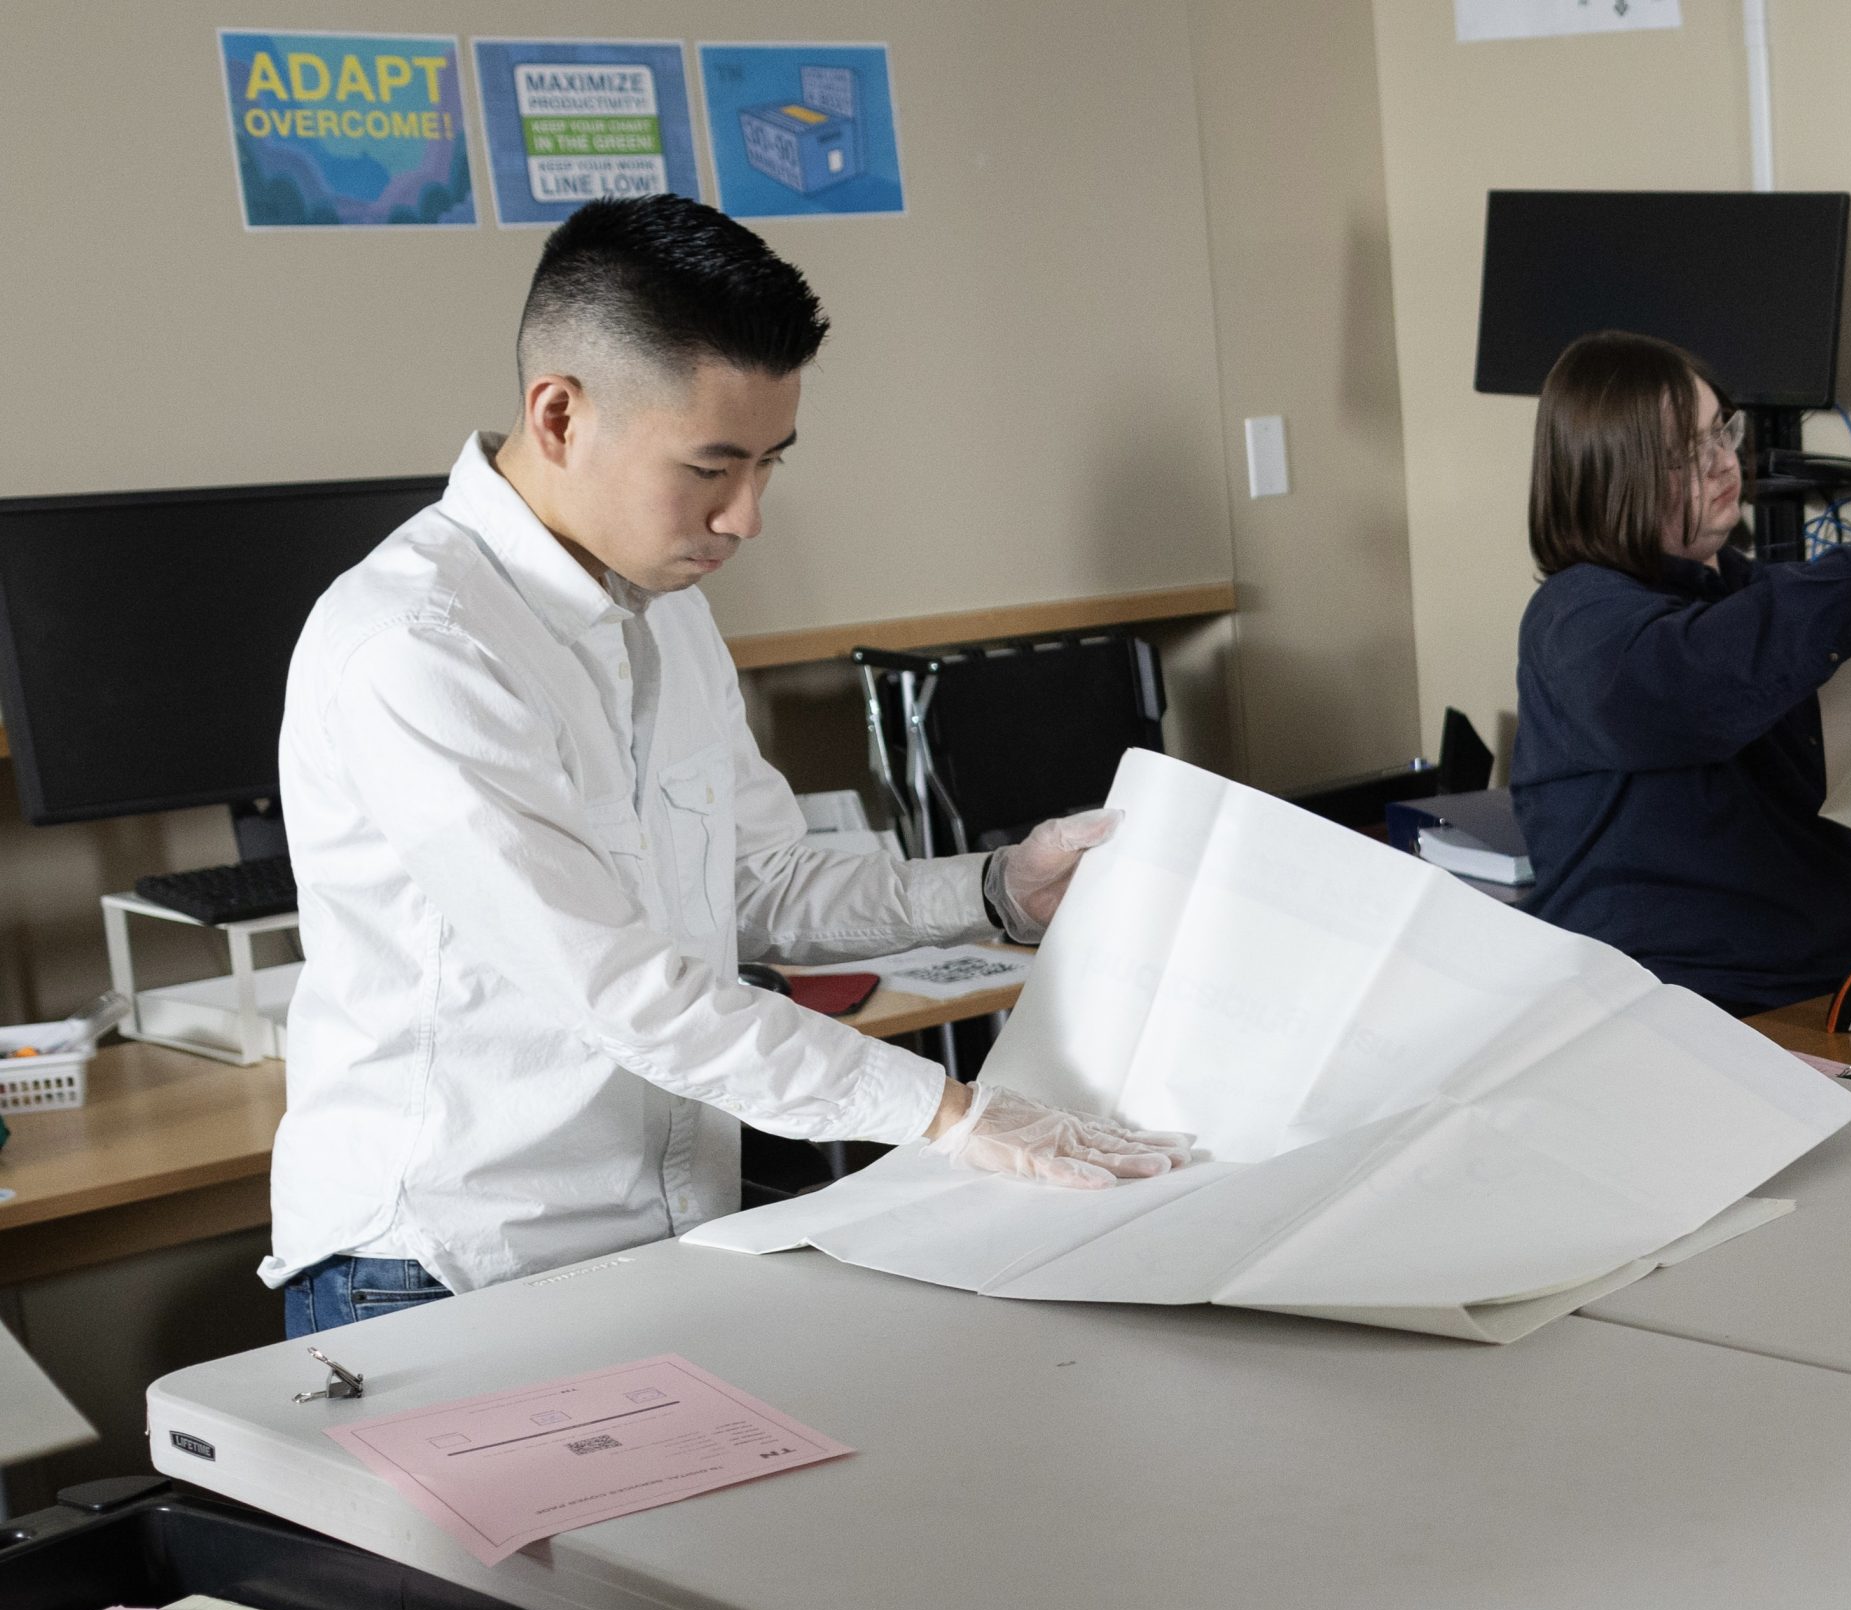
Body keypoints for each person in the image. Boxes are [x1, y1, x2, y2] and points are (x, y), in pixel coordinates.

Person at [263, 195, 1189, 1337]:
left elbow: (758, 884)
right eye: (712, 466)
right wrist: (949, 1113)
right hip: (447, 1264)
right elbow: (622, 993)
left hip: (660, 1236)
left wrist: (995, 889)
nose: (746, 516)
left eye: (769, 463)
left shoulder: (662, 608)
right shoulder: (418, 646)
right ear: (558, 414)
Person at [1510, 330, 1851, 1015]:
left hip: (1849, 989)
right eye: (1683, 454)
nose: (1721, 463)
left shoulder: (1748, 591)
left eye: (1720, 432)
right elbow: (1705, 677)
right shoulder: (1573, 620)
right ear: (1608, 475)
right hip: (1702, 1017)